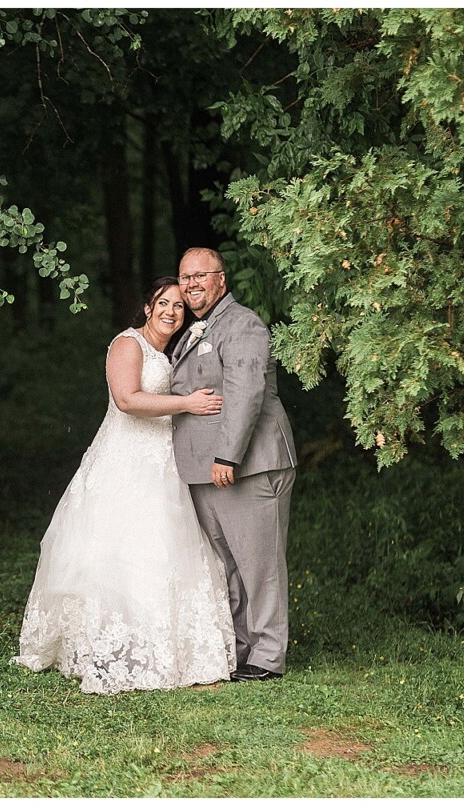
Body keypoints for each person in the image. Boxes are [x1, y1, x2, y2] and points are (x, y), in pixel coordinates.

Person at [13, 277, 236, 693]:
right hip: (123, 460)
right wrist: (188, 404)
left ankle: (161, 648)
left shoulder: (165, 352)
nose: (171, 311)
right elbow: (127, 400)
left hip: (161, 464)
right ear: (147, 308)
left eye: (179, 307)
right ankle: (102, 644)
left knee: (162, 546)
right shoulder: (128, 344)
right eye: (163, 303)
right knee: (113, 549)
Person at [170, 247, 297, 683]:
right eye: (185, 277)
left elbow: (245, 394)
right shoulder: (196, 328)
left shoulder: (242, 324)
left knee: (259, 566)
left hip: (248, 463)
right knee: (230, 566)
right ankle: (243, 649)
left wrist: (228, 456)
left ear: (221, 280)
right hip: (207, 468)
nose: (191, 284)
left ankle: (268, 656)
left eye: (200, 276)